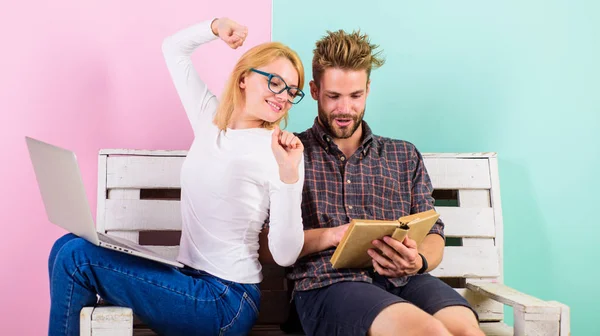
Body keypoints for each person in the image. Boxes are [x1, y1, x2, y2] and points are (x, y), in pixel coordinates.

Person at [47, 17, 307, 336]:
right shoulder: (211, 121)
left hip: (226, 301)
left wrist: (289, 175)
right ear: (244, 77)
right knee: (66, 245)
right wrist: (214, 28)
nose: (283, 96)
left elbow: (285, 254)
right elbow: (174, 49)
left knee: (76, 258)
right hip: (189, 280)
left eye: (292, 91)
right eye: (275, 82)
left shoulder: (279, 150)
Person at [259, 29, 484, 336]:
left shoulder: (402, 155)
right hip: (328, 284)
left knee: (466, 331)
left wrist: (416, 261)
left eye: (355, 96)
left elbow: (433, 232)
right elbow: (266, 245)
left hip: (405, 280)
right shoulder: (291, 152)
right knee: (430, 332)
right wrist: (334, 235)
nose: (345, 109)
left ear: (368, 89)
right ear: (314, 90)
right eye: (333, 96)